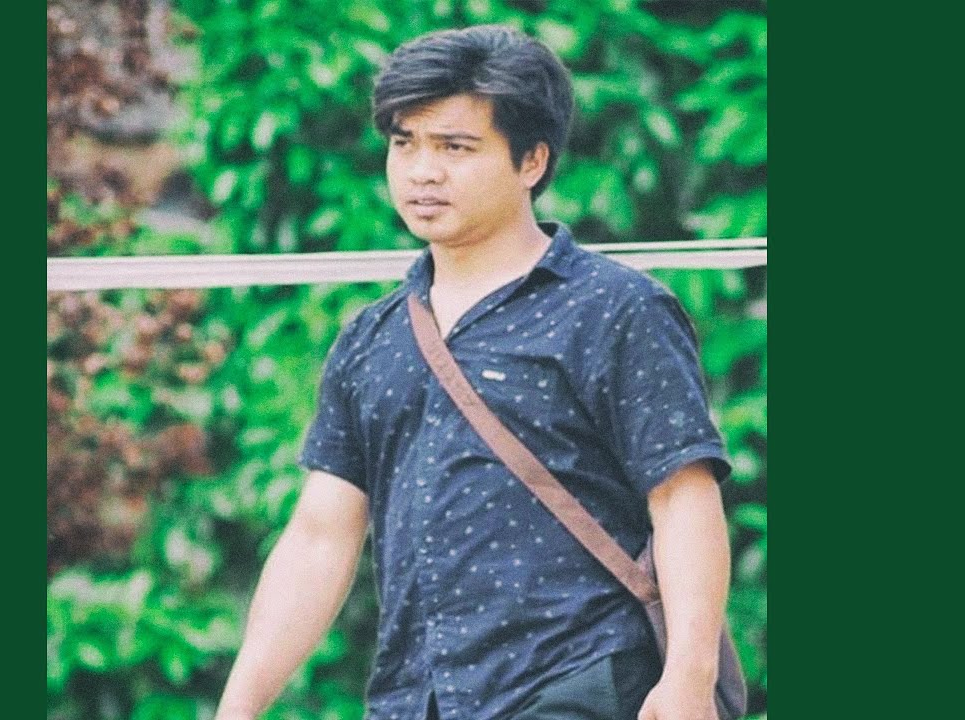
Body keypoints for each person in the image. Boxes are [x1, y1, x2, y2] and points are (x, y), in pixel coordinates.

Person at [214, 24, 732, 720]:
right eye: (405, 143)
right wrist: (237, 708)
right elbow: (319, 537)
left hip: (577, 682)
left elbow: (682, 497)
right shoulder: (372, 339)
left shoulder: (614, 309)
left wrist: (690, 679)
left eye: (454, 147)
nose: (422, 171)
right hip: (417, 699)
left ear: (531, 161)